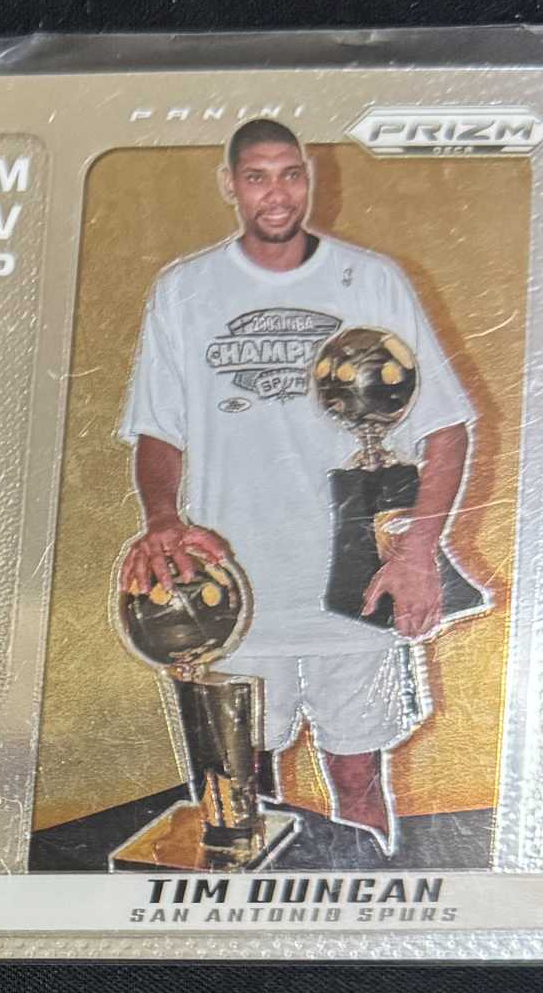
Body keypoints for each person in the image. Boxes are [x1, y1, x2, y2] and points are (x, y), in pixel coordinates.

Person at [118, 118, 474, 849]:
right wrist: (161, 519)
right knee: (240, 790)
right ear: (229, 185)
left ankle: (369, 908)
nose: (276, 194)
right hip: (236, 587)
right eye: (257, 177)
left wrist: (416, 554)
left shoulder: (372, 280)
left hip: (358, 580)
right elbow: (158, 430)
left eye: (290, 175)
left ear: (310, 180)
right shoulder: (186, 290)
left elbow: (446, 427)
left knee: (358, 776)